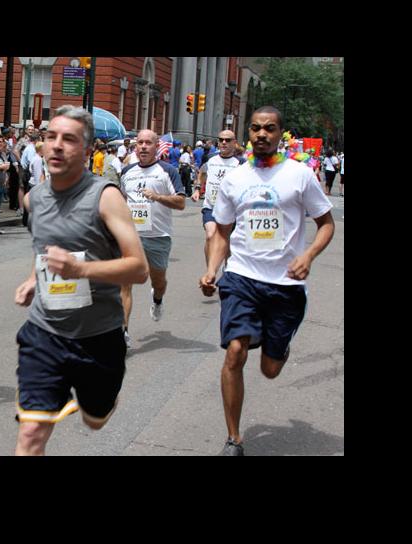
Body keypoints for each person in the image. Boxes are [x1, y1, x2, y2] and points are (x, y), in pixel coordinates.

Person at [13, 105, 149, 456]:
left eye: (69, 139)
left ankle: (96, 400)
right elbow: (44, 249)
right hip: (44, 333)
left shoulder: (105, 197)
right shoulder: (35, 198)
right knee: (31, 433)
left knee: (95, 419)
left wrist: (81, 270)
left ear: (87, 151)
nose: (57, 145)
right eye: (51, 137)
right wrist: (33, 279)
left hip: (97, 338)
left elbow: (138, 268)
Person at [199, 106, 335, 456]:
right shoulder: (234, 179)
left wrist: (308, 256)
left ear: (280, 134)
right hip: (242, 277)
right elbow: (222, 233)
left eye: (269, 128)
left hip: (286, 285)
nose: (262, 134)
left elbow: (326, 224)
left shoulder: (300, 175)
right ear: (249, 133)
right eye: (256, 128)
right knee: (234, 352)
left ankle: (277, 347)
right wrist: (212, 269)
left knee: (270, 369)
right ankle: (234, 439)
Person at [119, 129, 186, 347]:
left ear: (157, 146)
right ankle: (123, 332)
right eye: (140, 143)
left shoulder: (167, 171)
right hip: (131, 236)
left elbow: (181, 202)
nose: (143, 147)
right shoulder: (127, 172)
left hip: (158, 236)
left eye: (148, 143)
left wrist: (156, 197)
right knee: (124, 285)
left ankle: (157, 299)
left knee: (158, 282)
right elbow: (120, 201)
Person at [192, 129, 245, 271]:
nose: (224, 142)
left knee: (227, 242)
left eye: (228, 140)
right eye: (221, 140)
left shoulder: (241, 163)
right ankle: (211, 270)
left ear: (234, 143)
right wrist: (197, 189)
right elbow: (202, 173)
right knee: (210, 236)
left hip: (231, 210)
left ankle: (228, 269)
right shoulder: (210, 159)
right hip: (211, 206)